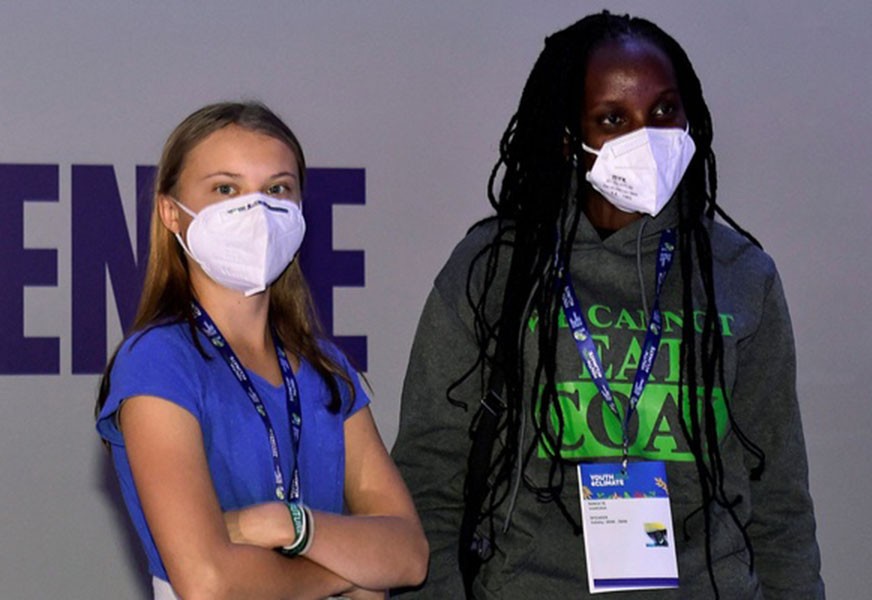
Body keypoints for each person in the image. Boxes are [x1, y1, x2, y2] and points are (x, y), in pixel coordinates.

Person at [392, 11, 823, 599]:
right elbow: (430, 474)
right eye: (614, 118)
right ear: (571, 139)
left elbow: (779, 500)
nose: (645, 134)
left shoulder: (740, 275)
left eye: (664, 111)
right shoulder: (493, 269)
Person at [96, 102, 428, 599]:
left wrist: (284, 524)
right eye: (226, 189)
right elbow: (209, 584)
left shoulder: (325, 367)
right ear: (171, 212)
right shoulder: (158, 361)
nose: (256, 211)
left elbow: (409, 554)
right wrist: (352, 569)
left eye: (276, 189)